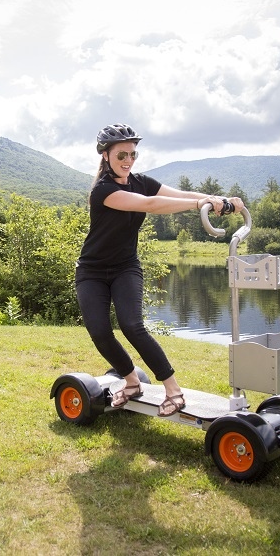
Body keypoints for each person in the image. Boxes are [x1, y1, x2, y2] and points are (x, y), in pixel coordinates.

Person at [75, 123, 245, 417]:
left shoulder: (140, 181)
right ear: (105, 156)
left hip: (125, 267)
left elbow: (178, 194)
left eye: (132, 154)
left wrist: (219, 200)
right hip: (91, 271)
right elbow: (151, 205)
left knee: (132, 325)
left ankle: (173, 391)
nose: (128, 160)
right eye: (121, 155)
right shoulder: (103, 190)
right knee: (100, 332)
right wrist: (200, 203)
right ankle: (130, 382)